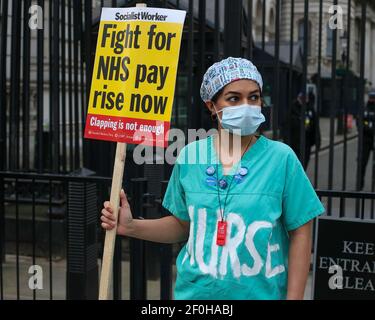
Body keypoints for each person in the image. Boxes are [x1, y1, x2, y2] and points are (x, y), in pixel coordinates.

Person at [101, 57, 325, 300]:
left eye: (254, 97)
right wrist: (131, 226)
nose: (247, 105)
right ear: (211, 105)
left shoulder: (282, 159)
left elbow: (301, 232)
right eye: (234, 98)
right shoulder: (190, 156)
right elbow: (183, 226)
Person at [290, 92, 321, 169]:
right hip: (294, 142)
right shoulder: (293, 108)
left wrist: (317, 140)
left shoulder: (310, 109)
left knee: (304, 164)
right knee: (294, 164)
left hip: (306, 142)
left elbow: (315, 126)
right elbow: (286, 125)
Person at [359, 89, 375, 190]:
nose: (372, 99)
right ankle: (360, 184)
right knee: (362, 163)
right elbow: (360, 122)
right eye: (371, 97)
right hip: (365, 139)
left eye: (373, 98)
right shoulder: (365, 109)